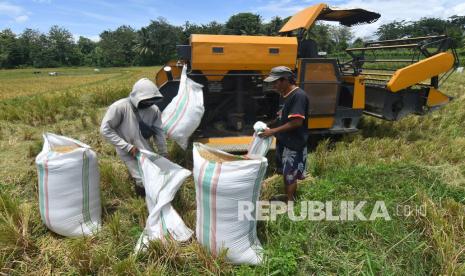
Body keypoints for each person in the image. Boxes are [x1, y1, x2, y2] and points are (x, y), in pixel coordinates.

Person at [100, 78, 168, 196]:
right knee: (141, 180)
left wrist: (163, 153)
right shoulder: (120, 107)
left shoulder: (154, 110)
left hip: (145, 149)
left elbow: (159, 133)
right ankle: (141, 201)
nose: (149, 103)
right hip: (127, 151)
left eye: (152, 100)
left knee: (153, 175)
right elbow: (105, 130)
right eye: (146, 100)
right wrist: (127, 147)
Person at [259, 66, 309, 202]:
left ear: (285, 80)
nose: (274, 85)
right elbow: (284, 117)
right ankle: (288, 196)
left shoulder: (298, 96)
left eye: (276, 82)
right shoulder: (287, 95)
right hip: (285, 141)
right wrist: (268, 125)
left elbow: (296, 122)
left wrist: (272, 132)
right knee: (286, 173)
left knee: (290, 174)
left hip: (294, 143)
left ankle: (290, 202)